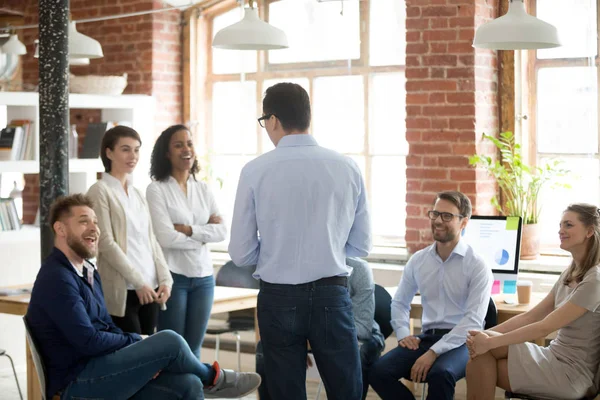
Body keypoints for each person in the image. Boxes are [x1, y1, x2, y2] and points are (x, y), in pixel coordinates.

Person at [26, 194, 261, 399]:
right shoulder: (57, 278)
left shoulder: (88, 271)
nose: (94, 228)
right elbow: (88, 341)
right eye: (83, 221)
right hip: (77, 383)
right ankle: (214, 378)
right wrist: (137, 341)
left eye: (95, 222)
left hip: (99, 370)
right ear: (60, 229)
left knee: (188, 384)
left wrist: (138, 356)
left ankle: (205, 380)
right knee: (169, 340)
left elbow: (105, 327)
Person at [229, 82, 372, 400]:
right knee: (346, 390)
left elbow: (240, 252)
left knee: (284, 393)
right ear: (308, 116)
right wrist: (327, 248)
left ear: (273, 120)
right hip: (331, 295)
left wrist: (275, 254)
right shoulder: (346, 167)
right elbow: (362, 246)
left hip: (278, 297)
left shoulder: (255, 171)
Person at [466, 203, 600, 400]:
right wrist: (483, 336)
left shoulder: (594, 280)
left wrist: (490, 342)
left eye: (569, 225)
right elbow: (531, 316)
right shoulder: (570, 272)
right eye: (561, 225)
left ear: (589, 231)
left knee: (481, 358)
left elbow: (543, 328)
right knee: (480, 356)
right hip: (552, 357)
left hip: (571, 374)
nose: (561, 230)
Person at [369, 191, 493, 400]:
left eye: (447, 216)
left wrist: (433, 353)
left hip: (462, 342)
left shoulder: (477, 265)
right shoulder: (419, 260)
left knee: (440, 374)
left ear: (464, 222)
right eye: (435, 214)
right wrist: (403, 334)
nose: (437, 221)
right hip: (426, 337)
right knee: (378, 372)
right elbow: (399, 302)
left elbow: (472, 321)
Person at [146, 124, 227, 358]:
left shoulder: (203, 189)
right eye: (178, 145)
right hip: (173, 278)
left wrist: (189, 230)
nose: (186, 149)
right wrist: (203, 235)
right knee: (171, 349)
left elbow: (222, 232)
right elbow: (165, 237)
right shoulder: (156, 190)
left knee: (194, 350)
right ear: (166, 152)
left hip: (203, 278)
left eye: (189, 143)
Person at [255, 257, 386, 400]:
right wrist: (299, 341)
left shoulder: (359, 268)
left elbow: (364, 326)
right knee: (264, 349)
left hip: (358, 333)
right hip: (315, 330)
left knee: (357, 352)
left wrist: (312, 340)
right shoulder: (300, 268)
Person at [87, 125, 173, 335]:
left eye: (136, 149)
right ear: (109, 152)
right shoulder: (100, 190)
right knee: (132, 353)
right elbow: (105, 242)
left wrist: (165, 279)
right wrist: (138, 282)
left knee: (151, 355)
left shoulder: (137, 194)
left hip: (150, 287)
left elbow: (151, 241)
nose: (132, 155)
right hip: (124, 289)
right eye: (125, 149)